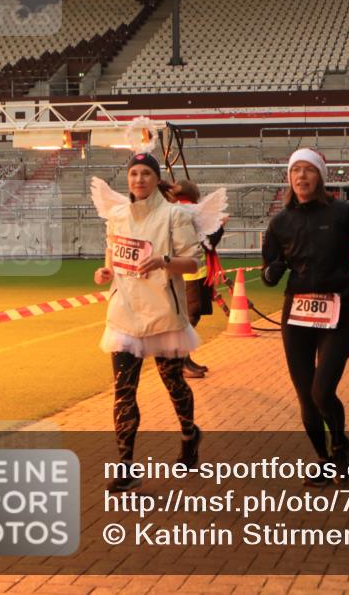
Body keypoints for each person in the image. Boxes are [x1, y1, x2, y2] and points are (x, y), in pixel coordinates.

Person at [262, 149, 349, 486]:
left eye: (308, 170)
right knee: (305, 396)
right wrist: (272, 272)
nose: (301, 177)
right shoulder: (280, 221)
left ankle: (341, 445)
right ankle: (324, 458)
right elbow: (268, 271)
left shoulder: (342, 212)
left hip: (336, 310)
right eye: (295, 171)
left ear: (320, 176)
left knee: (321, 392)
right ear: (289, 178)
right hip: (297, 316)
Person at [90, 153, 208, 492]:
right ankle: (126, 465)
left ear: (157, 179)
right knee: (123, 391)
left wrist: (163, 261)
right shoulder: (116, 216)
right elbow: (111, 260)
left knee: (173, 383)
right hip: (124, 315)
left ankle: (189, 433)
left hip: (163, 316)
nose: (139, 179)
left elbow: (193, 263)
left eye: (145, 173)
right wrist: (104, 272)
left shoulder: (175, 215)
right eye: (133, 174)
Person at [169, 179, 226, 378]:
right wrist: (219, 227)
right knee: (190, 317)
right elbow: (206, 242)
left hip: (190, 272)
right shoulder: (189, 212)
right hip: (192, 273)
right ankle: (179, 361)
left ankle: (184, 358)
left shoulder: (177, 211)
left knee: (190, 317)